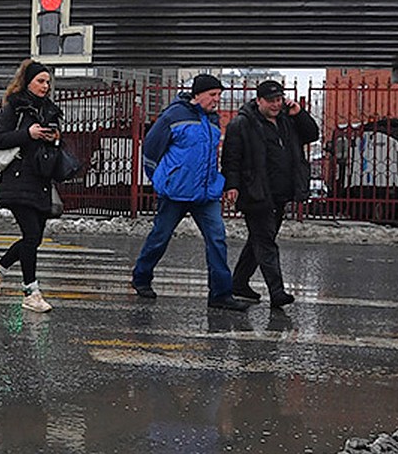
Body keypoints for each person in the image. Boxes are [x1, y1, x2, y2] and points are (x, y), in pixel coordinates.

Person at [131, 74, 248, 311]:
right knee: (160, 238)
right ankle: (141, 278)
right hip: (175, 192)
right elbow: (151, 150)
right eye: (213, 95)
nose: (217, 100)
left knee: (217, 239)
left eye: (219, 95)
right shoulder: (173, 115)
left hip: (205, 194)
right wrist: (161, 179)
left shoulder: (213, 120)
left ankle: (220, 294)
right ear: (198, 94)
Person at [222, 79, 320, 309]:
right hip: (255, 191)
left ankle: (239, 283)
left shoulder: (287, 120)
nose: (276, 104)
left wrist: (299, 113)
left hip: (280, 193)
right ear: (259, 101)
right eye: (271, 100)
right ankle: (277, 292)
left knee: (260, 239)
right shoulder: (242, 124)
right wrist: (232, 185)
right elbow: (231, 159)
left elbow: (312, 135)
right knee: (265, 242)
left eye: (279, 99)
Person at [0, 60, 64, 312]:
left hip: (40, 179)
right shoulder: (14, 107)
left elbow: (50, 143)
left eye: (47, 82)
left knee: (34, 238)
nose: (45, 86)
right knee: (30, 235)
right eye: (40, 81)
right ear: (27, 81)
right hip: (17, 179)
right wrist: (28, 133)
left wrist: (54, 137)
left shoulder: (49, 109)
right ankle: (31, 293)